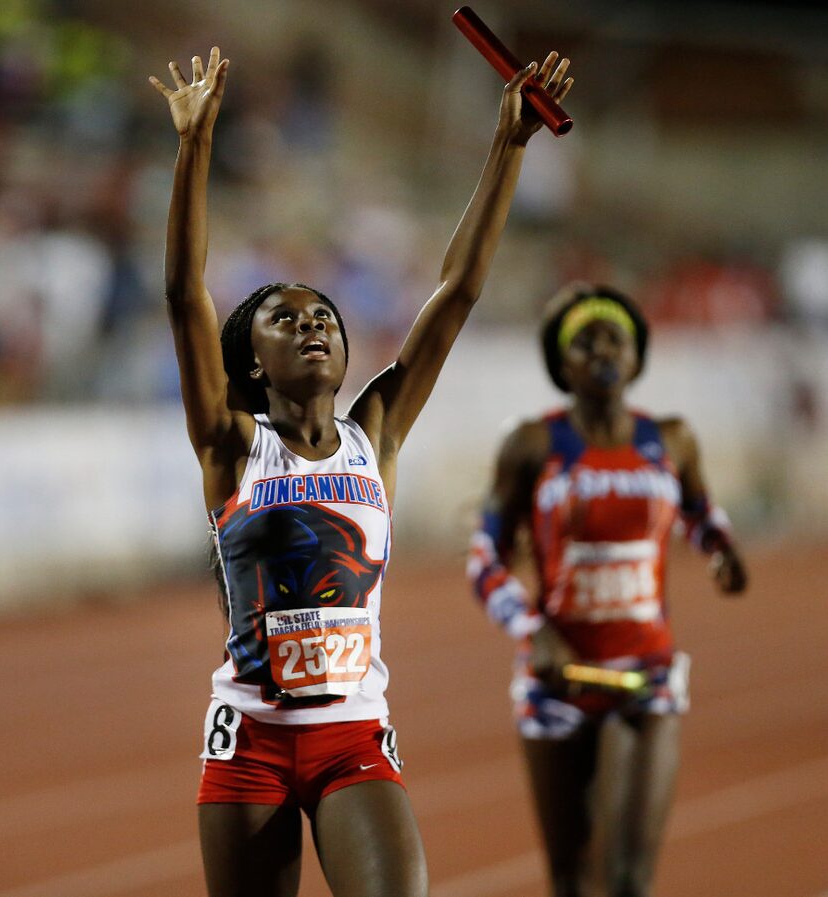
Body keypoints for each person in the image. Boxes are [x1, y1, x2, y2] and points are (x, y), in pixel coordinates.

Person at [149, 45, 573, 897]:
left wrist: (510, 145)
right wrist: (194, 146)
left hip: (353, 737)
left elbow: (455, 293)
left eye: (324, 318)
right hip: (252, 739)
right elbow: (184, 295)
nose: (312, 325)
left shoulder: (373, 432)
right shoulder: (231, 446)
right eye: (284, 319)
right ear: (253, 360)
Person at [468, 283, 748, 897]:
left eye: (614, 336)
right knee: (571, 882)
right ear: (560, 365)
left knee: (628, 881)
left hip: (646, 676)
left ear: (636, 355)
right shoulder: (531, 444)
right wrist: (532, 630)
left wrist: (720, 549)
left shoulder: (672, 438)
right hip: (557, 682)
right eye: (583, 341)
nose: (602, 349)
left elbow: (700, 513)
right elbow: (485, 559)